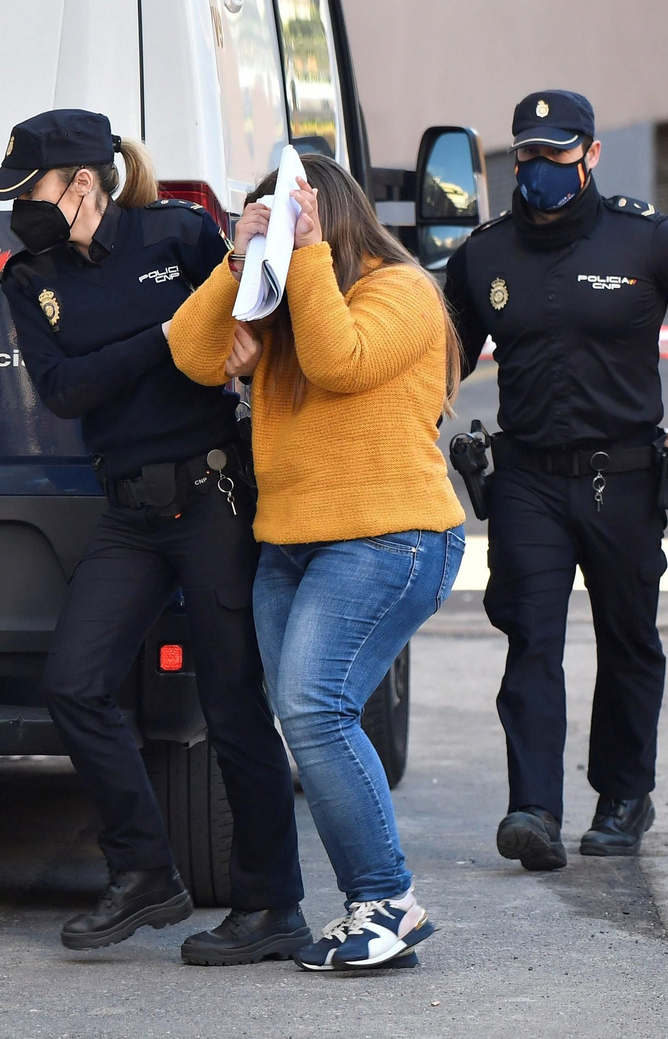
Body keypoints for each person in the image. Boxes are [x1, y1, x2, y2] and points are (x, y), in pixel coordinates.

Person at [0, 109, 308, 964]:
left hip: (212, 495)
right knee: (76, 681)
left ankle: (273, 905)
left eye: (31, 189)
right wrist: (169, 338)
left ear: (83, 184)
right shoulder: (30, 278)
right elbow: (64, 390)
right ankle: (147, 873)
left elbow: (259, 318)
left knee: (234, 703)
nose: (20, 208)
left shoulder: (179, 233)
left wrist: (246, 329)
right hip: (128, 509)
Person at [443, 90, 668, 870]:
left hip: (620, 477)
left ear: (590, 154)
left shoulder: (643, 238)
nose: (540, 169)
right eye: (527, 154)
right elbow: (443, 352)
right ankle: (534, 809)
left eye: (556, 154)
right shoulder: (484, 254)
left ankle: (625, 793)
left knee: (627, 639)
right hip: (526, 479)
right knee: (531, 640)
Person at [169, 153, 466, 971]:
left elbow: (342, 362)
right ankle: (366, 905)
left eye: (293, 220)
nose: (282, 241)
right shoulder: (288, 301)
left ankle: (389, 902)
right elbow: (194, 356)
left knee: (314, 706)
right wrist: (240, 256)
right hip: (291, 546)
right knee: (311, 716)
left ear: (329, 218)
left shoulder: (401, 292)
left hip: (392, 538)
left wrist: (300, 249)